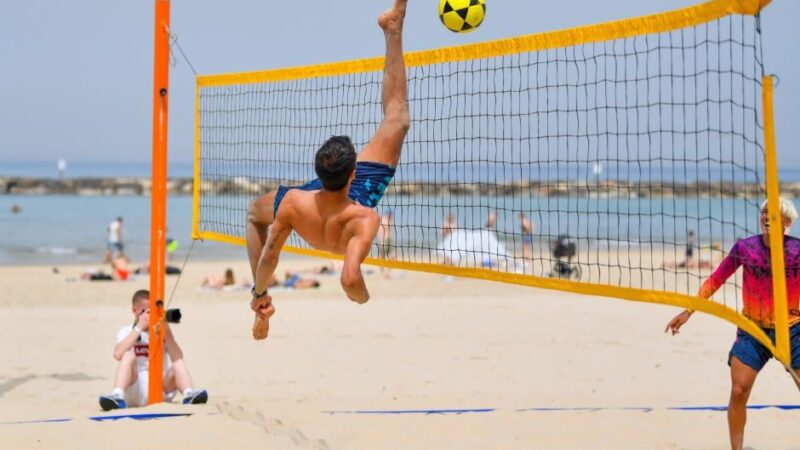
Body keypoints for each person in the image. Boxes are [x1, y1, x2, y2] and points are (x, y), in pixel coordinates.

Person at [245, 0, 410, 341]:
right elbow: (350, 280)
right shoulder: (365, 219)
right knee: (397, 118)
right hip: (352, 203)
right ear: (354, 172)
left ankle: (261, 306)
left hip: (311, 203)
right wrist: (362, 298)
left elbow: (269, 255)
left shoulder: (291, 201)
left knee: (253, 214)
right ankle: (394, 28)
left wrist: (259, 293)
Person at [665, 197, 800, 450]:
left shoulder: (797, 250)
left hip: (793, 329)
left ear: (787, 222)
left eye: (774, 213)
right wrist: (688, 311)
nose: (766, 216)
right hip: (753, 329)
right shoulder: (745, 248)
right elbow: (716, 279)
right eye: (763, 212)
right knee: (738, 391)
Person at [98, 290, 208, 410]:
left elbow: (178, 356)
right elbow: (118, 354)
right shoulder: (127, 330)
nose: (150, 315)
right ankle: (117, 395)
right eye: (146, 311)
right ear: (134, 310)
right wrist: (139, 328)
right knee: (128, 355)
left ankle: (188, 394)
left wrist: (167, 332)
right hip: (135, 389)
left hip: (161, 388)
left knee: (177, 362)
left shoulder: (160, 330)